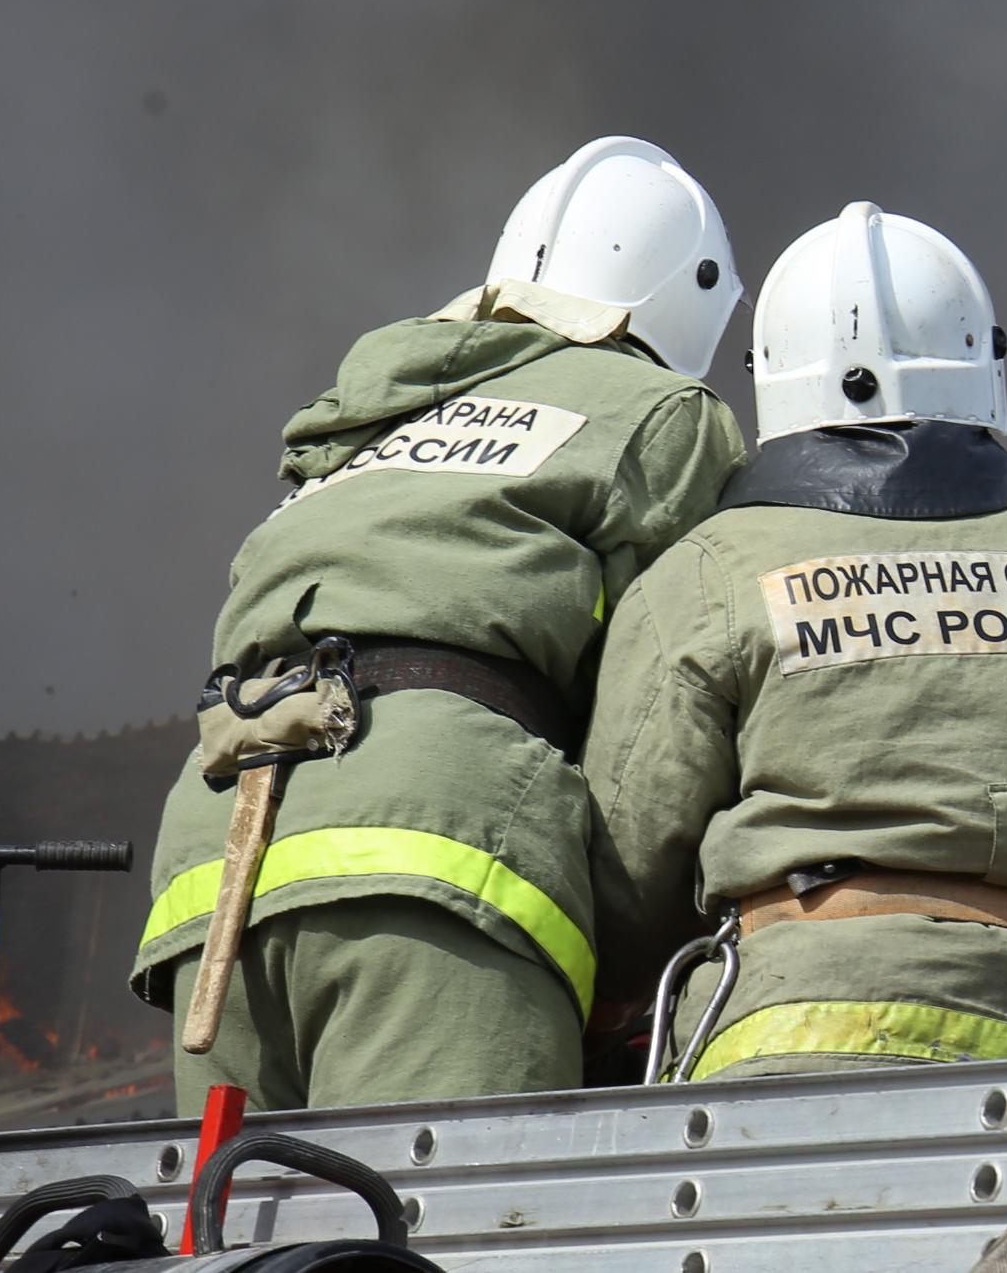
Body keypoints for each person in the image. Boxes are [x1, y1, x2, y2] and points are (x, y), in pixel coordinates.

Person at [128, 136, 749, 1109]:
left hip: (218, 860)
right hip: (433, 849)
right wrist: (629, 949)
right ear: (692, 299)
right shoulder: (659, 411)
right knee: (446, 1242)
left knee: (238, 1246)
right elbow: (666, 702)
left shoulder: (370, 419)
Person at [588, 202, 1007, 1080]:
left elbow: (626, 880)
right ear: (982, 359)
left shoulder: (712, 566)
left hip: (787, 1042)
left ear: (772, 376)